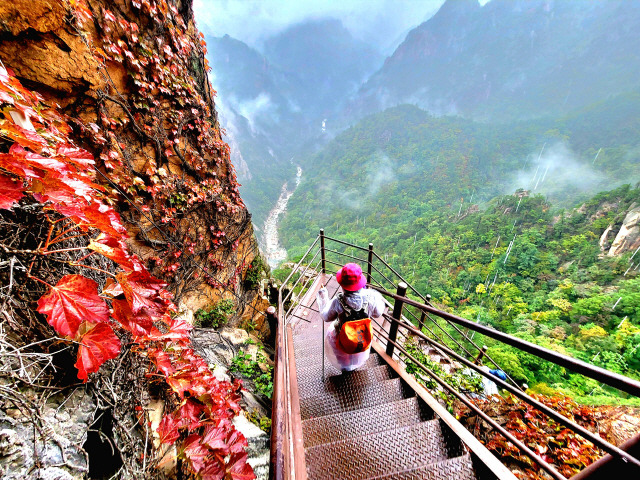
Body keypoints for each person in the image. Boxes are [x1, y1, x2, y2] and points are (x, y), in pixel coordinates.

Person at [317, 263, 385, 371]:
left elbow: (326, 317)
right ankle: (354, 366)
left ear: (342, 284)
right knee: (357, 352)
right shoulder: (371, 297)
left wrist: (324, 297)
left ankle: (345, 367)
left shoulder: (338, 302)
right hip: (361, 337)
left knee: (337, 343)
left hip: (342, 338)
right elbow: (378, 313)